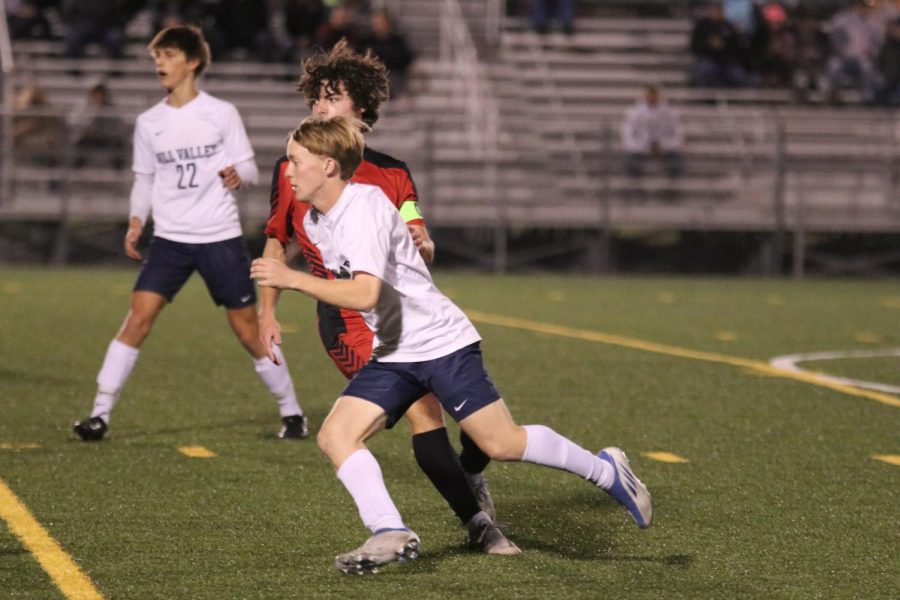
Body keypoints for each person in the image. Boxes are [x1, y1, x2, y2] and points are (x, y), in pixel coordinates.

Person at [251, 117, 653, 574]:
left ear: (326, 166)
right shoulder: (319, 219)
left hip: (441, 342)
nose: (286, 171)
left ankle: (606, 470)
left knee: (500, 443)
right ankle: (388, 530)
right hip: (396, 349)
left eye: (294, 162)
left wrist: (292, 280)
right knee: (336, 435)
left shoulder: (362, 207)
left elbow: (365, 293)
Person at [258, 39, 516, 555]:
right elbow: (277, 241)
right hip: (347, 315)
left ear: (361, 106)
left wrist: (425, 241)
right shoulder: (298, 166)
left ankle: (470, 472)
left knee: (480, 428)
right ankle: (478, 525)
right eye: (316, 98)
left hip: (408, 312)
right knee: (426, 414)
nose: (320, 107)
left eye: (332, 97)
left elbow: (418, 238)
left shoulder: (393, 171)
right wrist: (267, 310)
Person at [72, 26, 307, 442]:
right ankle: (99, 414)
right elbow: (144, 178)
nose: (159, 63)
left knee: (247, 330)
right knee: (137, 320)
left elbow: (250, 168)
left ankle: (292, 412)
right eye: (156, 56)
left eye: (167, 54)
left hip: (219, 237)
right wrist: (135, 221)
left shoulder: (221, 113)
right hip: (170, 241)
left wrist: (239, 174)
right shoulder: (150, 122)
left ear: (193, 60)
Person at [621, 85, 683, 178]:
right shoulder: (635, 112)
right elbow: (627, 131)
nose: (652, 97)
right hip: (640, 145)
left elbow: (678, 131)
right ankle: (636, 188)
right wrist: (637, 147)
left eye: (654, 94)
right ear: (646, 95)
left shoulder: (669, 112)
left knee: (675, 164)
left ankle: (671, 188)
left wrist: (667, 146)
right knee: (632, 164)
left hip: (664, 145)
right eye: (650, 94)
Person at [690, 1, 749, 87]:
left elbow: (736, 47)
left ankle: (733, 99)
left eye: (718, 8)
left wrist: (723, 46)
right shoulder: (702, 26)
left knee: (738, 75)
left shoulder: (728, 26)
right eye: (713, 8)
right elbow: (695, 45)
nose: (716, 11)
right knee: (704, 69)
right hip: (708, 59)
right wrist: (709, 44)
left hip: (726, 61)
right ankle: (704, 98)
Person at [361, 9, 414, 98]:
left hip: (393, 75)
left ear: (388, 24)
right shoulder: (367, 41)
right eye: (376, 23)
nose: (379, 26)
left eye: (381, 23)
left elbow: (405, 59)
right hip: (371, 74)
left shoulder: (398, 41)